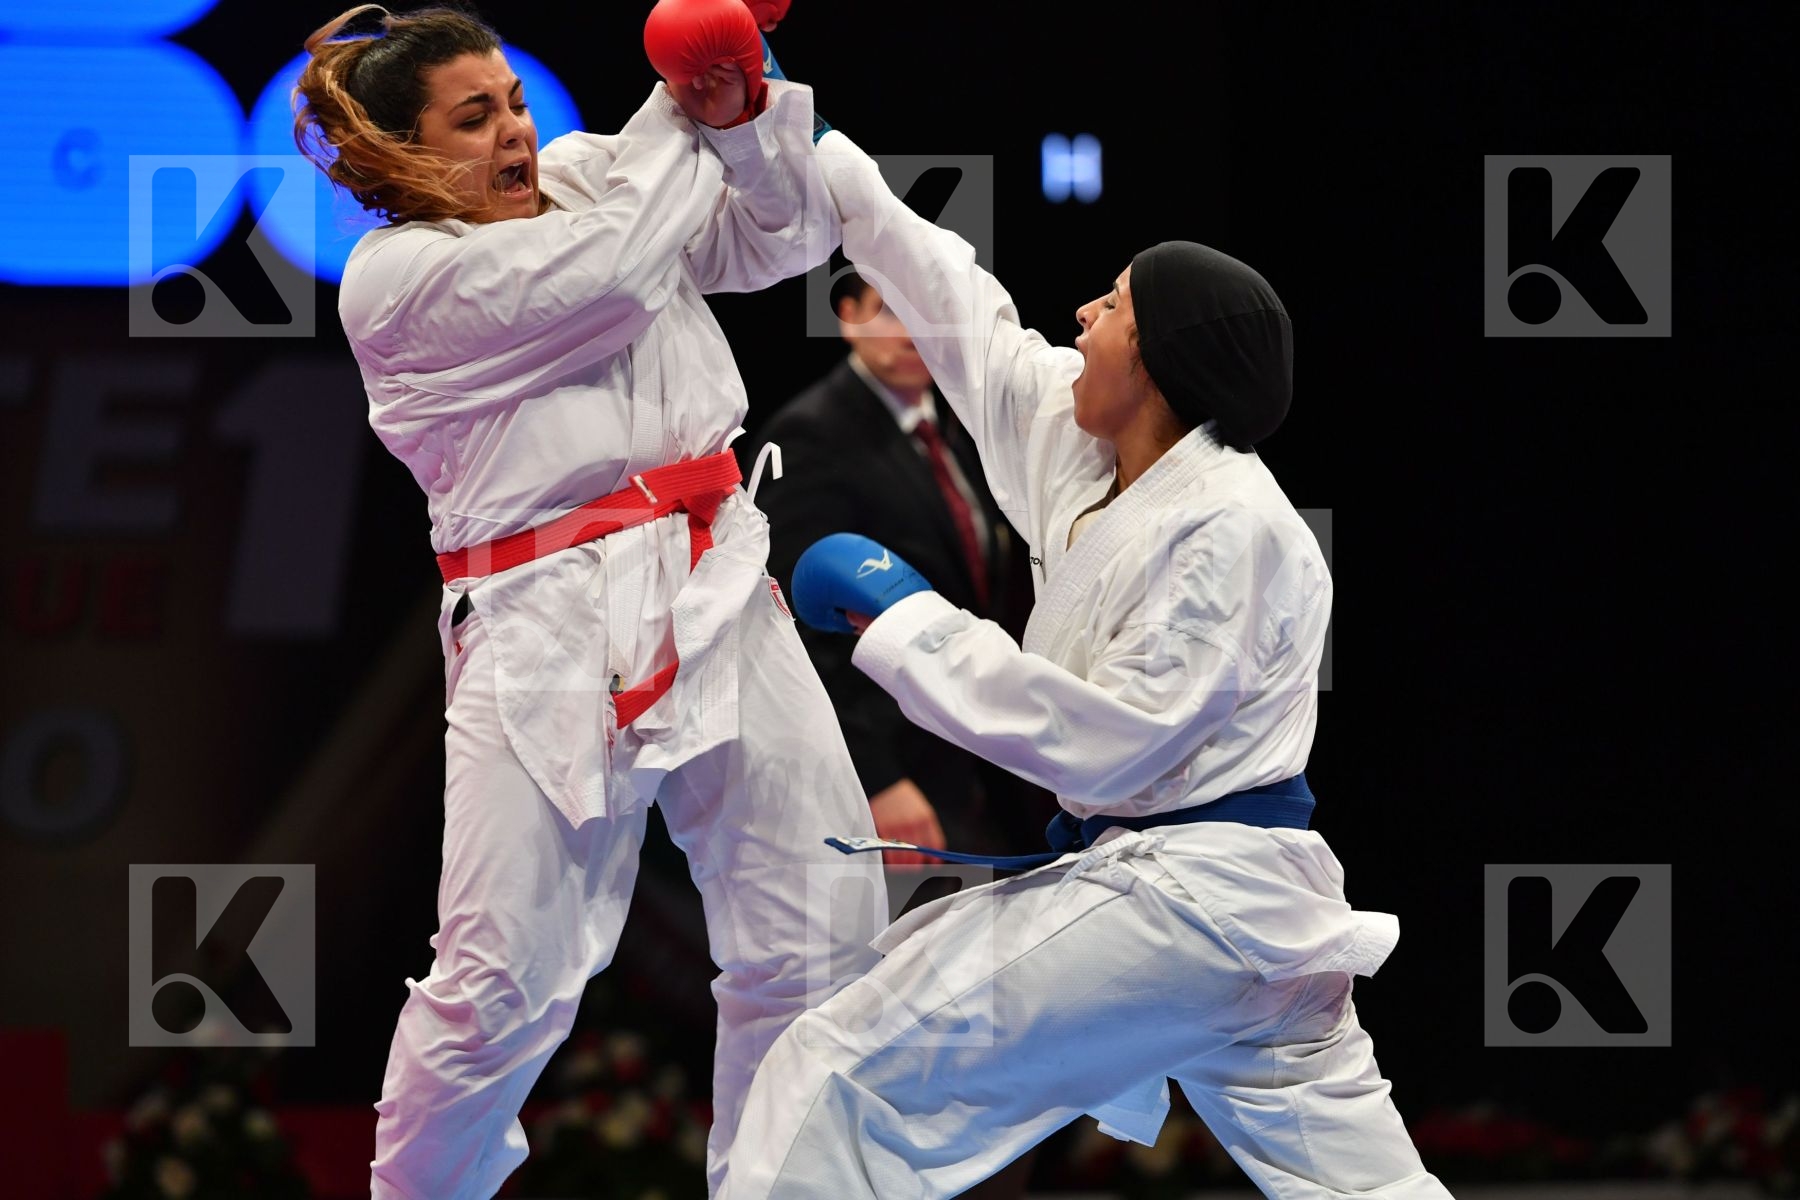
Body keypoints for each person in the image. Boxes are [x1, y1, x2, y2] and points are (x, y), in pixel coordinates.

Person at [716, 131, 1452, 1197]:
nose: (1081, 318)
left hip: (1192, 899)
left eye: (1110, 308)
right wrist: (803, 136)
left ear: (1157, 363)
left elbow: (1111, 745)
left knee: (836, 1073)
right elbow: (959, 304)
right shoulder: (1092, 452)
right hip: (1230, 917)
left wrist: (908, 618)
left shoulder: (1230, 529)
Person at [291, 4, 885, 1198]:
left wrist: (742, 107)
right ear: (405, 153)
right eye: (477, 118)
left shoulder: (581, 179)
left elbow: (780, 239)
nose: (517, 131)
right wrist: (683, 88)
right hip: (543, 624)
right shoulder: (393, 280)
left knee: (821, 923)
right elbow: (612, 275)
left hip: (714, 577)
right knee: (505, 986)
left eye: (515, 101)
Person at [738, 268, 1051, 870]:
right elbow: (790, 624)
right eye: (890, 309)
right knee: (905, 957)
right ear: (849, 316)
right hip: (890, 777)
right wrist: (875, 778)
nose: (914, 330)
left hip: (982, 761)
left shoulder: (961, 434)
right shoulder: (807, 437)